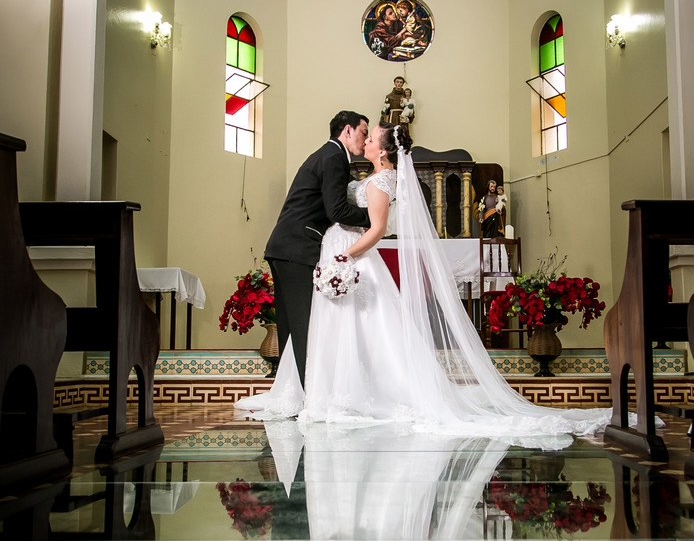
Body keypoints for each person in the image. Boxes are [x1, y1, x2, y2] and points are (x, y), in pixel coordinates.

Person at [236, 123, 611, 445]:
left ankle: (358, 393)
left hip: (353, 259)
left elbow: (378, 229)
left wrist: (345, 256)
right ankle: (335, 390)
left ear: (383, 150)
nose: (365, 141)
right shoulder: (371, 176)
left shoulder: (382, 180)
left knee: (368, 329)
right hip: (343, 256)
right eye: (363, 135)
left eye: (371, 138)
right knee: (349, 330)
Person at [263, 110, 370, 388]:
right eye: (363, 132)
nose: (365, 139)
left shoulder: (325, 154)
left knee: (291, 328)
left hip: (284, 247)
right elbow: (337, 209)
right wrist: (372, 219)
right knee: (304, 327)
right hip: (297, 248)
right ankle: (310, 395)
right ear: (347, 131)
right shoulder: (335, 156)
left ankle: (294, 393)